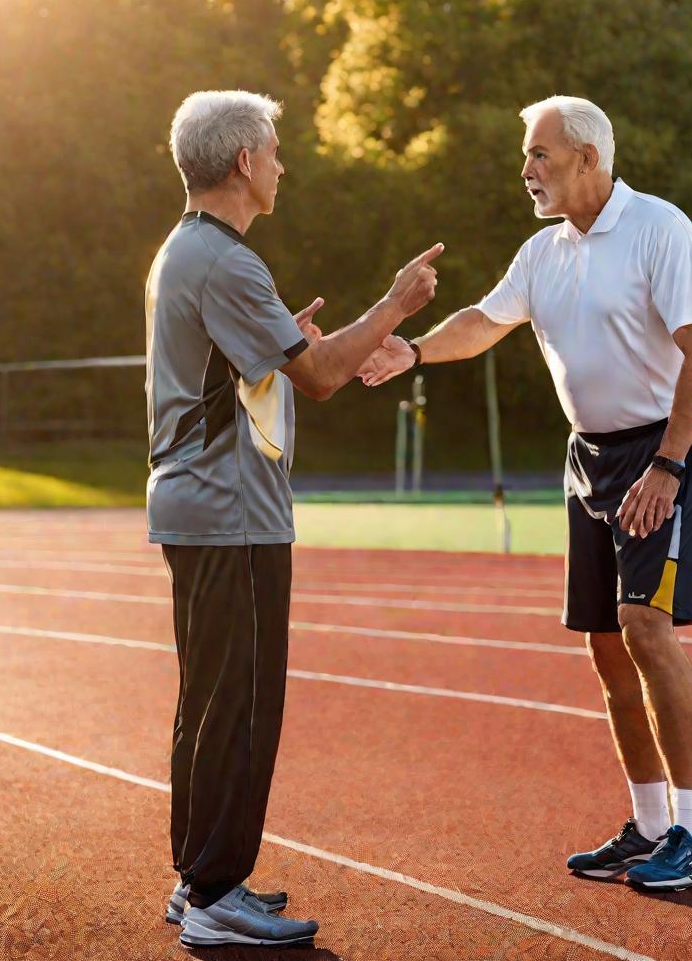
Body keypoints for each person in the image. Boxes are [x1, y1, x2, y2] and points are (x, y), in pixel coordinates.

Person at [358, 95, 692, 892]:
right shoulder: (542, 252)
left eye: (540, 156)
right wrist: (413, 351)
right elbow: (486, 322)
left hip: (661, 451)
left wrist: (667, 466)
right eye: (527, 156)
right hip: (585, 457)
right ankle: (652, 825)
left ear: (589, 157)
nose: (526, 171)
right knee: (602, 640)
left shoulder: (662, 228)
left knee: (644, 627)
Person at [145, 88, 442, 948]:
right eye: (273, 151)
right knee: (238, 705)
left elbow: (266, 367)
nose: (282, 165)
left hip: (204, 505)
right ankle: (213, 896)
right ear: (243, 161)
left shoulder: (186, 251)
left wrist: (293, 339)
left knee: (208, 701)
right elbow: (316, 376)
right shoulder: (227, 260)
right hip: (231, 513)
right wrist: (395, 306)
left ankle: (198, 879)